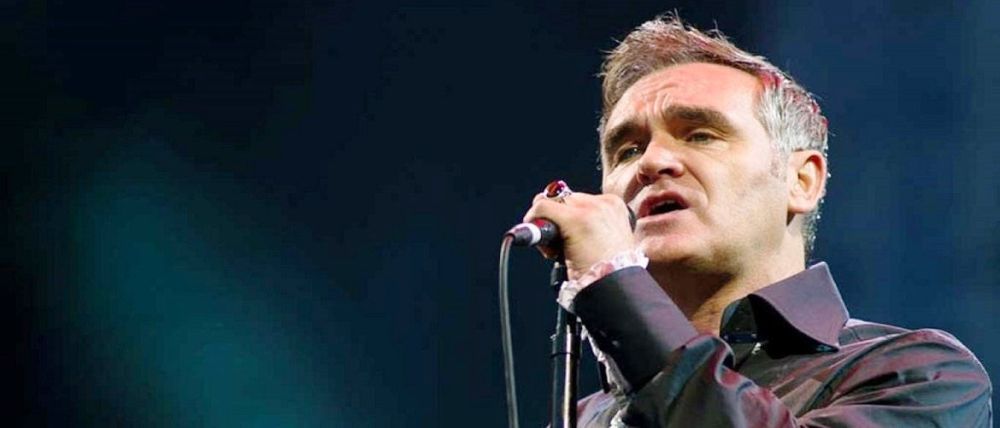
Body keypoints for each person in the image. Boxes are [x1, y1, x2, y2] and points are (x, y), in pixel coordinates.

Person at [522, 14, 992, 427]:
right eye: (627, 150)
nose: (652, 162)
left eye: (700, 135)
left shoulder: (918, 376)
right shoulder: (582, 417)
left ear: (801, 180)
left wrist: (613, 285)